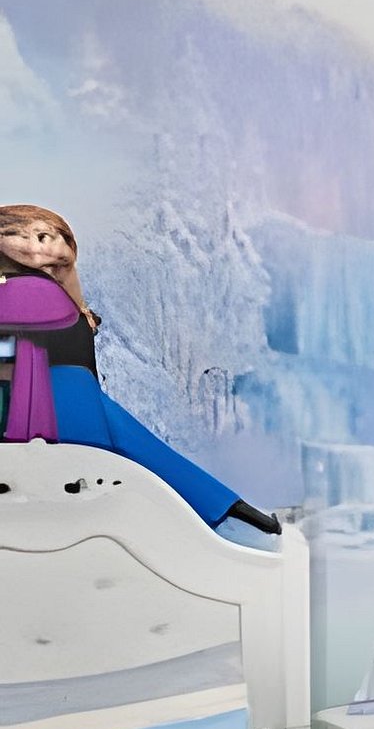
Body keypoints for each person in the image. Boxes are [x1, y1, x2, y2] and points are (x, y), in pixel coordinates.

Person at [0, 205, 279, 534]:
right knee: (143, 447)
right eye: (41, 236)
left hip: (58, 411)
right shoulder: (41, 295)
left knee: (138, 443)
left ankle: (230, 509)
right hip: (59, 412)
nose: (52, 246)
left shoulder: (38, 293)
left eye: (56, 238)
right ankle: (231, 510)